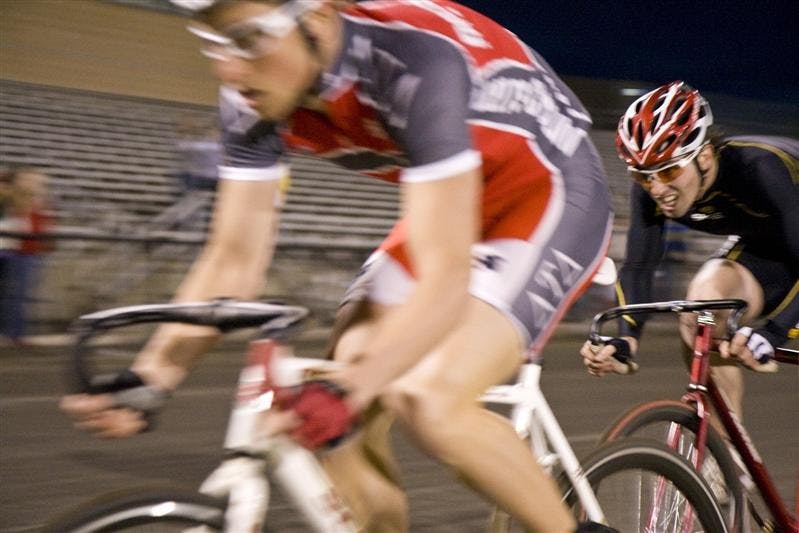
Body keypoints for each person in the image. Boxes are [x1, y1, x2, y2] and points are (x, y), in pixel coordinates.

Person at [61, 1, 615, 531]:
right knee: (342, 393)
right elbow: (233, 260)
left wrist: (355, 387)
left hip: (548, 192)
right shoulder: (251, 99)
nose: (228, 69)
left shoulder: (412, 64)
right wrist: (153, 376)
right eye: (210, 43)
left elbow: (443, 283)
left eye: (248, 39)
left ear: (319, 17)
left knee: (424, 397)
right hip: (457, 201)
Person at [581, 81, 799, 422]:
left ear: (705, 156)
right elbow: (638, 266)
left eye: (669, 171)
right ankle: (727, 460)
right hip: (770, 249)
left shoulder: (761, 169)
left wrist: (774, 331)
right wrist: (627, 339)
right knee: (702, 310)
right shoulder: (653, 189)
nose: (657, 189)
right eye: (643, 176)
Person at [0, 167, 52, 346]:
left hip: (27, 251)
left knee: (19, 295)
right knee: (13, 294)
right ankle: (12, 333)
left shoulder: (37, 201)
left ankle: (16, 333)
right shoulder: (15, 198)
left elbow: (38, 226)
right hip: (16, 250)